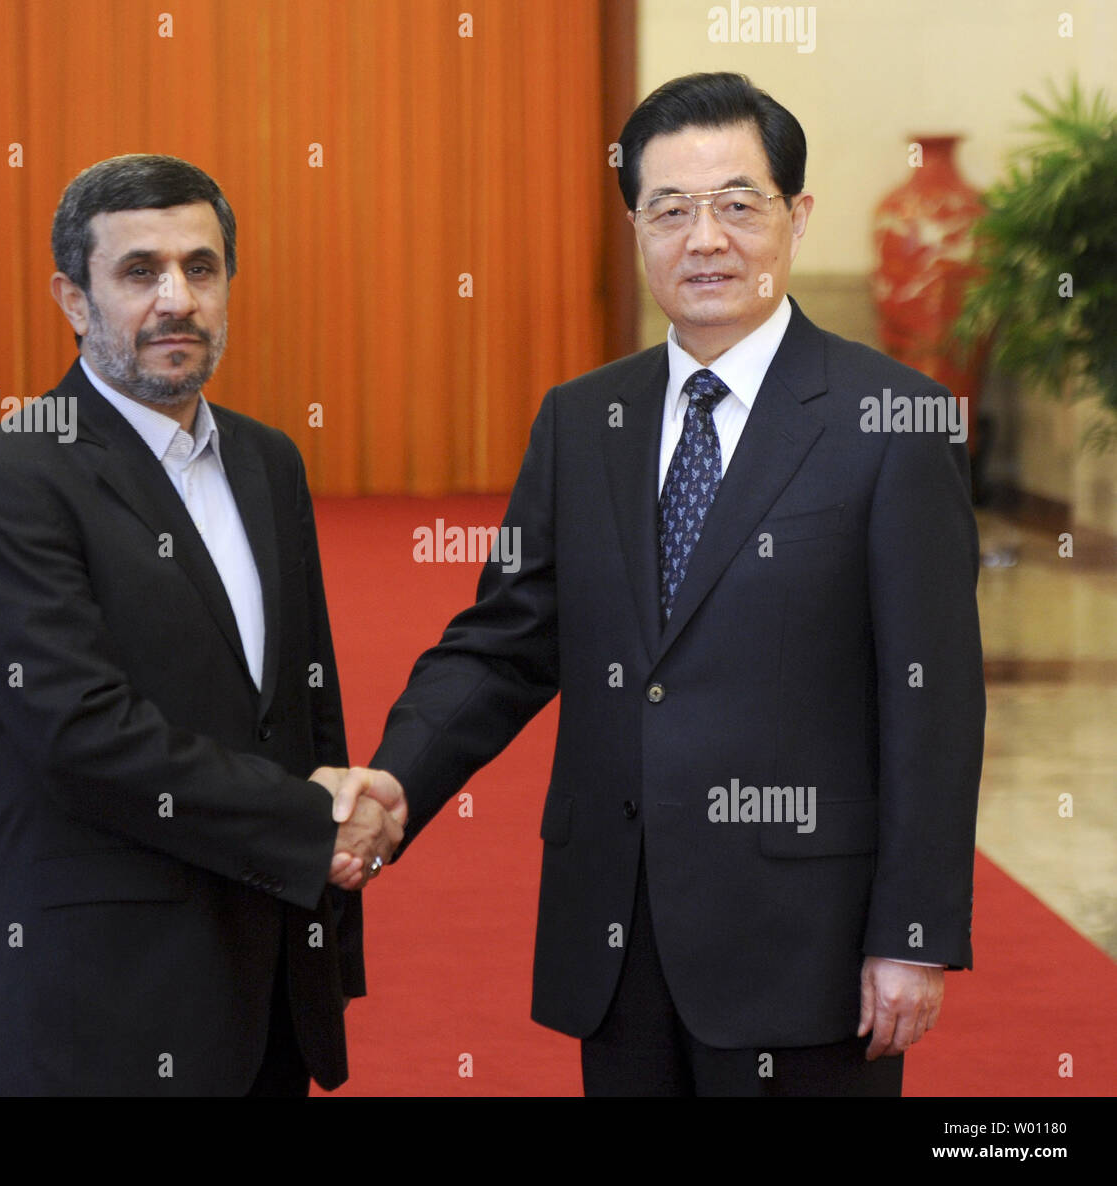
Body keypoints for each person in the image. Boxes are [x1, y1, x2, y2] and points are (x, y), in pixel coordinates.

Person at [367, 73, 985, 1096]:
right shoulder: (580, 420)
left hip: (805, 945)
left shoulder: (892, 422)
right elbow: (505, 638)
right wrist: (394, 780)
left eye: (738, 205)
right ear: (635, 228)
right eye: (670, 210)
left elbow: (934, 702)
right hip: (615, 934)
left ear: (796, 217)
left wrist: (914, 933)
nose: (705, 238)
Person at [0, 154, 405, 1096]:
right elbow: (80, 736)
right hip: (111, 990)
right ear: (74, 298)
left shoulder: (269, 462)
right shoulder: (7, 481)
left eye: (201, 267)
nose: (176, 299)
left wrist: (330, 907)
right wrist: (317, 820)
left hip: (272, 974)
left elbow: (303, 706)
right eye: (139, 272)